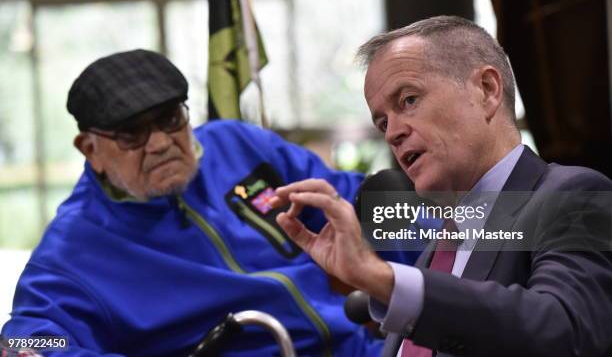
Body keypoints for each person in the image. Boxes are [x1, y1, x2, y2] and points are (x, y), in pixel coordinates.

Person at [1, 49, 412, 356]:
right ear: (89, 148)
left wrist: (469, 235)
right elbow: (25, 339)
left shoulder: (239, 146)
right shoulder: (73, 250)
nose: (161, 143)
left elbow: (355, 201)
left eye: (169, 119)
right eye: (132, 133)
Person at [273, 16, 612, 357]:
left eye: (408, 100)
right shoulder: (432, 256)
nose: (392, 133)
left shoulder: (573, 196)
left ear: (487, 90)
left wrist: (380, 277)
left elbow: (567, 330)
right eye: (382, 122)